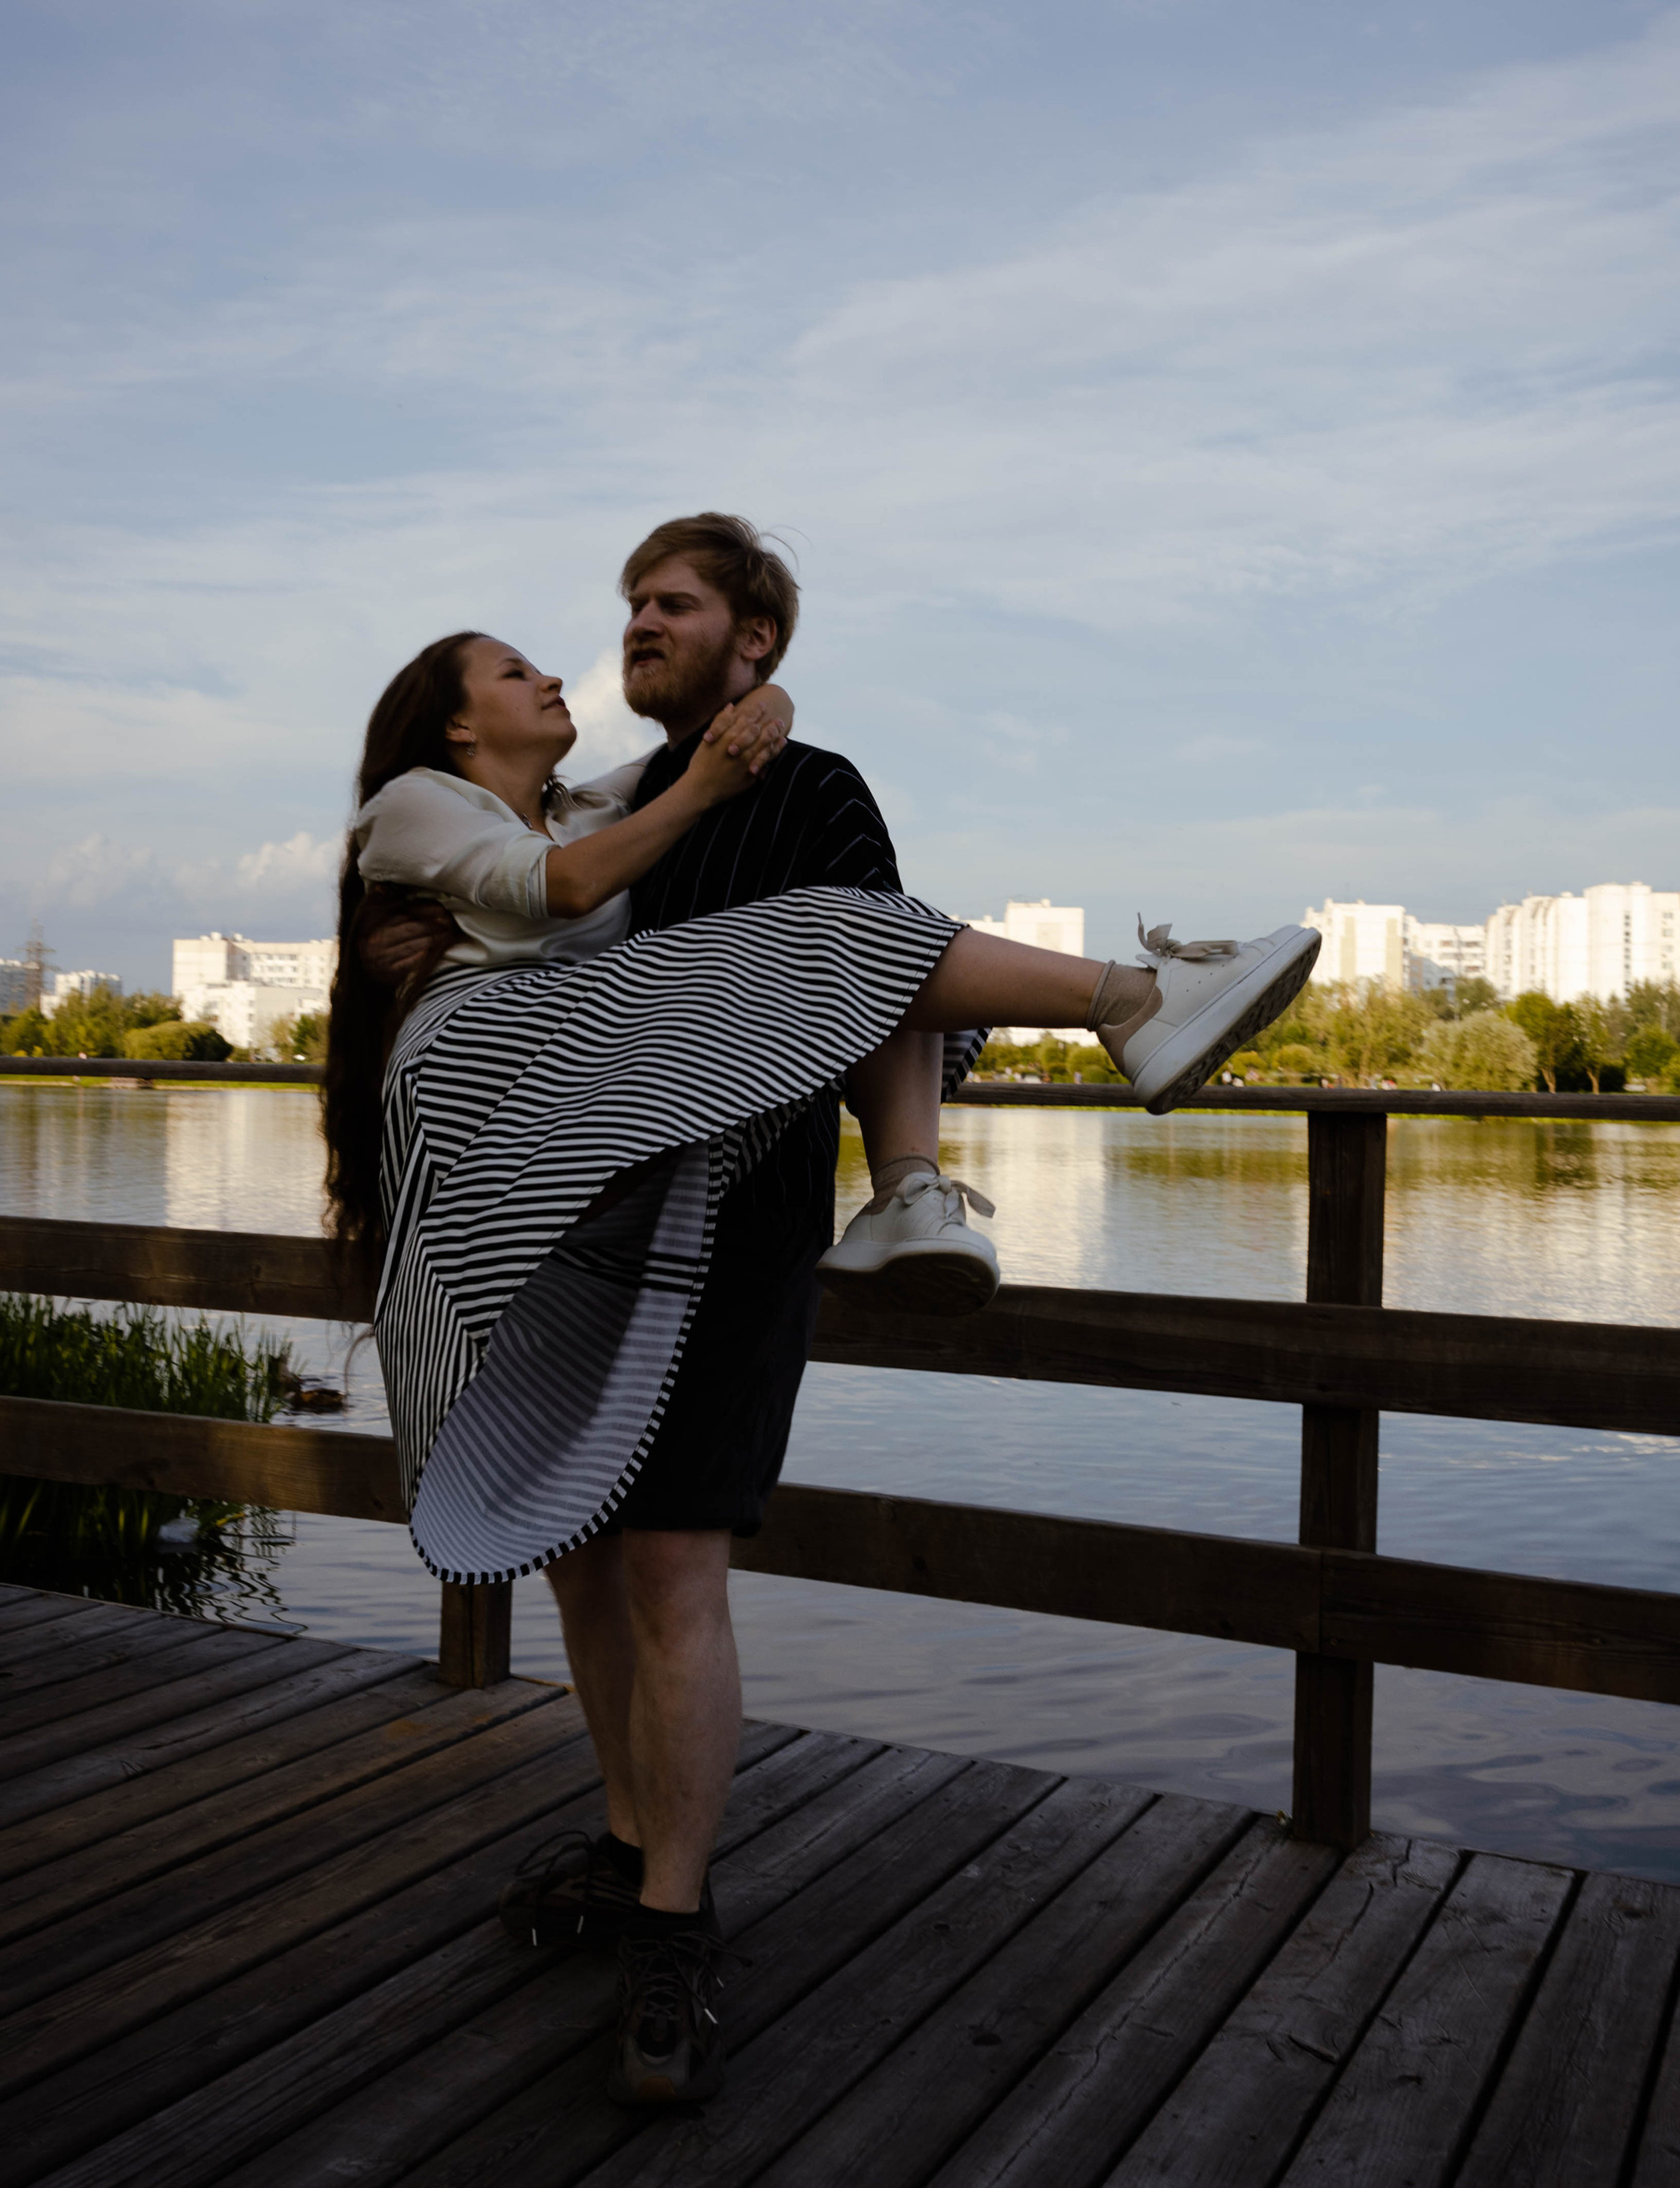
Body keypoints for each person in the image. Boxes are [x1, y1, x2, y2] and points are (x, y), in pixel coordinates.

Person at [329, 516, 1319, 2107]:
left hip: (718, 1206)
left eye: (671, 606)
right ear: (454, 721)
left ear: (756, 642)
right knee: (579, 1554)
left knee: (667, 1561)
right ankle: (629, 1836)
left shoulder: (788, 782)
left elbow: (880, 973)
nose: (624, 633)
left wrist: (893, 1140)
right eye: (612, 615)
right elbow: (557, 877)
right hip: (569, 1175)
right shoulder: (555, 807)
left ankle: (669, 1919)